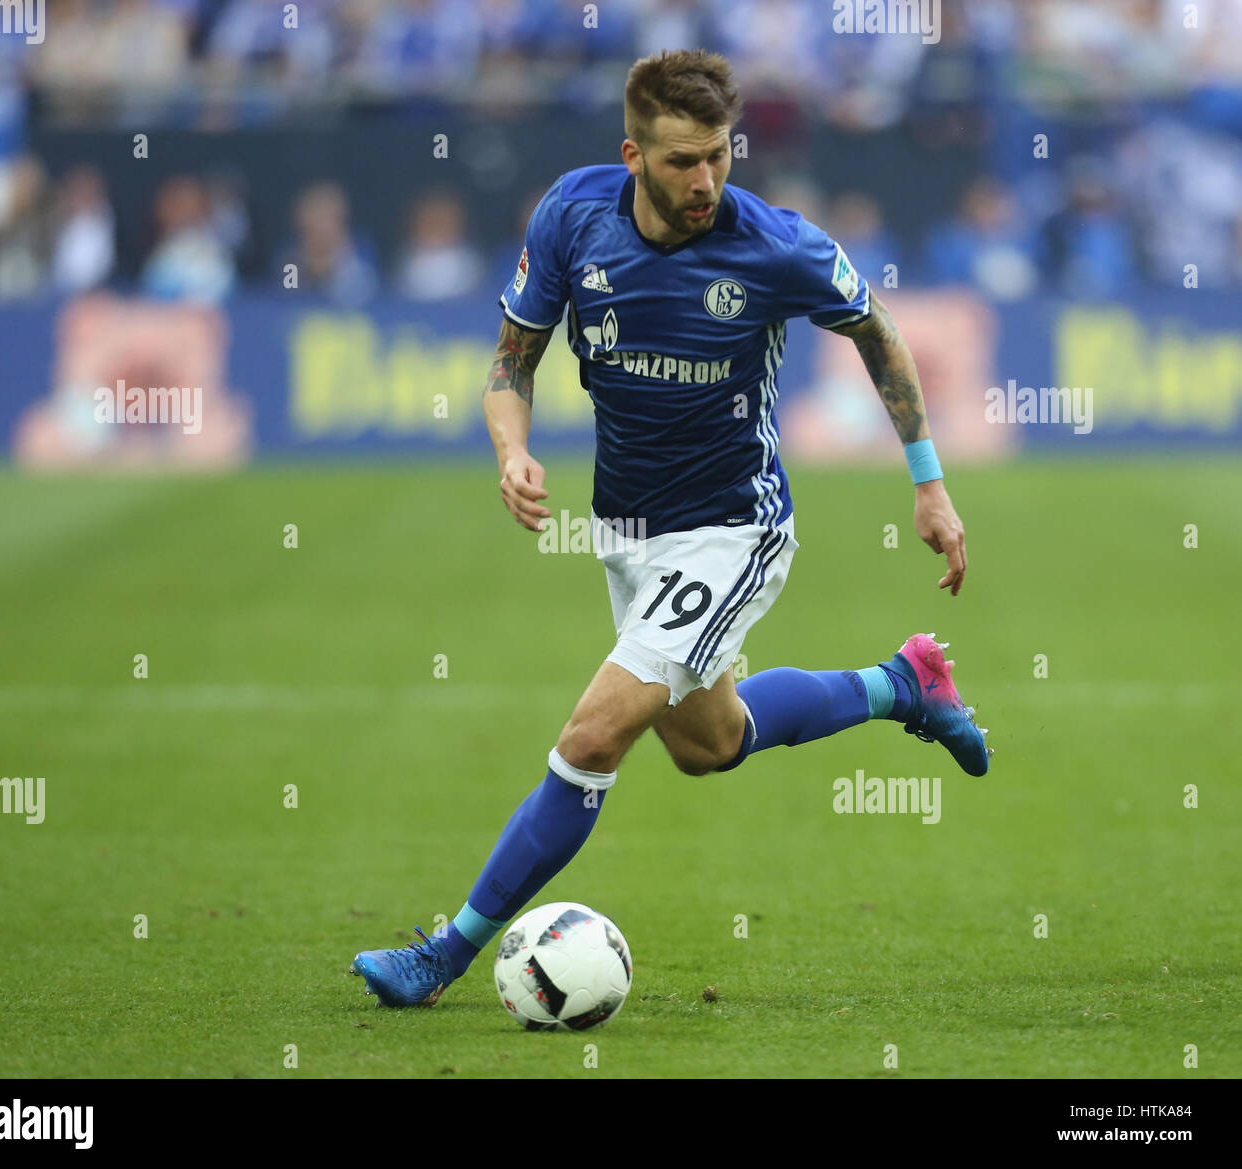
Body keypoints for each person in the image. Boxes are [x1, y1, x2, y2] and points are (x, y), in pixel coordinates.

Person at [351, 50, 990, 1011]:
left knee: (594, 735)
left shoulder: (774, 244)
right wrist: (512, 451)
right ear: (633, 155)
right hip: (629, 530)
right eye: (684, 160)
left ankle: (441, 952)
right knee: (708, 741)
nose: (706, 182)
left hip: (734, 528)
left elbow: (876, 329)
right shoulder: (573, 216)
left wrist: (929, 486)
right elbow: (509, 365)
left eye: (720, 157)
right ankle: (902, 684)